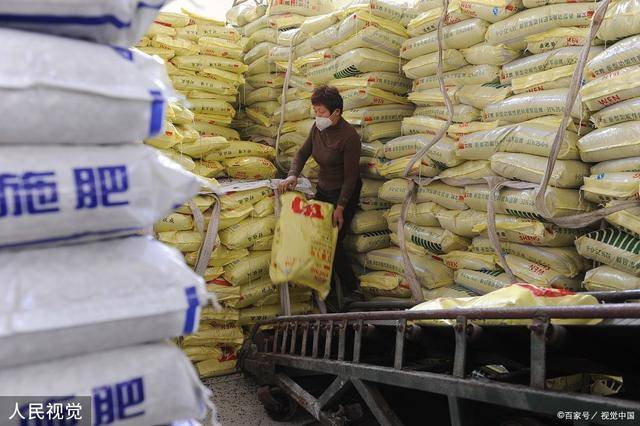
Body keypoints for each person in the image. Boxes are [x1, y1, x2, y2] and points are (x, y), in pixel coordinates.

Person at [278, 85, 362, 302]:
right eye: (315, 111)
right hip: (324, 189)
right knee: (314, 239)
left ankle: (351, 289)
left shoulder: (349, 137)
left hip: (344, 193)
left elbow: (351, 177)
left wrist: (341, 208)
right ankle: (326, 292)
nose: (317, 116)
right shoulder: (317, 129)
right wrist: (292, 175)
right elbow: (302, 153)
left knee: (332, 243)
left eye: (321, 112)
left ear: (336, 112)